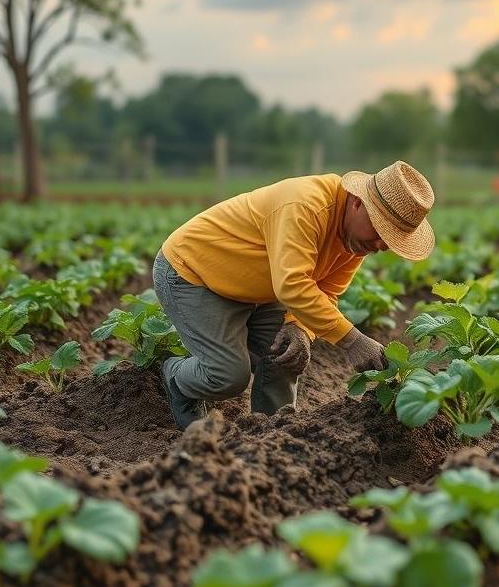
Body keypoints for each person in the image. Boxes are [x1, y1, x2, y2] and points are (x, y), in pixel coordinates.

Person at [153, 160, 435, 429]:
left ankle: (273, 432)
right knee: (228, 375)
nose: (379, 244)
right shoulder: (305, 205)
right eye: (379, 230)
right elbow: (291, 285)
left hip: (257, 287)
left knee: (288, 353)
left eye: (389, 239)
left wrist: (299, 327)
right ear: (358, 203)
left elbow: (326, 290)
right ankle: (176, 376)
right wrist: (352, 340)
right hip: (192, 274)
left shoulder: (357, 240)